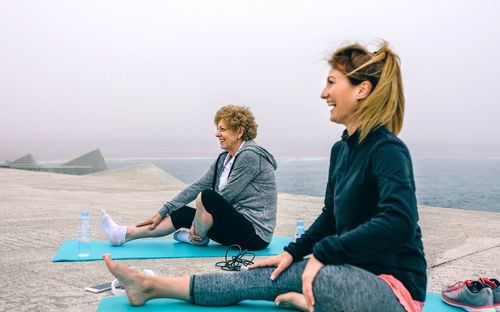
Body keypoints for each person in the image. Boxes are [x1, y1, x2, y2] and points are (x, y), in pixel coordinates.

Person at [101, 41, 427, 312]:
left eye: (331, 83)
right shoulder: (341, 151)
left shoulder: (387, 150)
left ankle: (312, 302)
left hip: (393, 289)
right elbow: (330, 217)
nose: (323, 93)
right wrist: (291, 252)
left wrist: (324, 255)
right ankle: (150, 286)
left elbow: (398, 220)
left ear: (361, 90)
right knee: (265, 272)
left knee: (307, 275)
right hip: (351, 270)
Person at [101, 105, 278, 251]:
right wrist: (162, 211)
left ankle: (197, 237)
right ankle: (123, 234)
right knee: (183, 211)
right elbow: (198, 185)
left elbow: (224, 198)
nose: (217, 134)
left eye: (222, 129)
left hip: (254, 236)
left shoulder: (251, 156)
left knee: (206, 196)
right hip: (233, 229)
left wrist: (197, 226)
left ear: (239, 131)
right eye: (217, 129)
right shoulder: (224, 158)